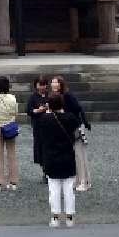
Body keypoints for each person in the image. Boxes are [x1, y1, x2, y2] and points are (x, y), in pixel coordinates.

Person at [38, 92, 80, 227]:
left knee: (54, 189)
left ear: (49, 104)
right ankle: (70, 218)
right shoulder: (70, 118)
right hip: (67, 156)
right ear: (62, 103)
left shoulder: (44, 119)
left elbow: (41, 137)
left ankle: (55, 217)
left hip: (51, 157)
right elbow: (76, 133)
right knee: (69, 189)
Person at [50, 75, 91, 191]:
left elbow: (78, 109)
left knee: (79, 155)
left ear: (60, 84)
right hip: (68, 128)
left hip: (75, 127)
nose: (53, 84)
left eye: (55, 82)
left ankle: (84, 181)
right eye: (52, 82)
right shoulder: (57, 96)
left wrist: (82, 123)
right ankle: (78, 180)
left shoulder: (68, 96)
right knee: (74, 155)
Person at [25, 75, 49, 182]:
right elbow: (28, 110)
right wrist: (37, 110)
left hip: (50, 125)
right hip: (38, 126)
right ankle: (45, 171)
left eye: (44, 84)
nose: (42, 87)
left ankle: (49, 170)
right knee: (40, 147)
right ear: (36, 85)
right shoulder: (33, 97)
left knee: (49, 147)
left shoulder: (50, 95)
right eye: (40, 85)